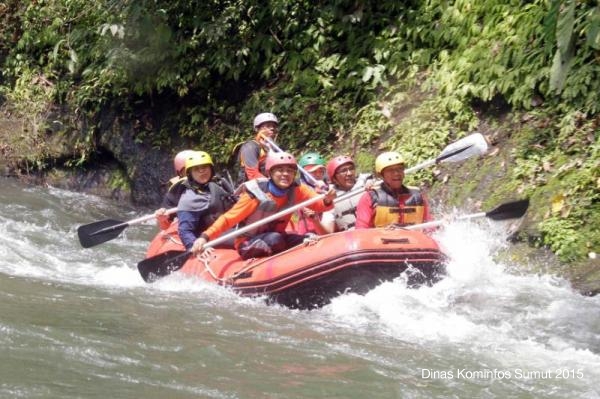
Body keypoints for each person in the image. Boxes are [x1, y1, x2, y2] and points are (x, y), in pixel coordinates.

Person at [191, 151, 336, 259]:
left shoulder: (297, 189)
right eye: (280, 170)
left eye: (290, 171)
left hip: (277, 236)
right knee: (275, 239)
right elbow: (228, 219)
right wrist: (204, 237)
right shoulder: (255, 194)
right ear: (270, 173)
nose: (285, 174)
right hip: (247, 242)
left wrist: (328, 198)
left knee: (310, 237)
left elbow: (319, 204)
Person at [355, 151, 432, 229]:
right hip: (381, 240)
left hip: (415, 240)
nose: (396, 173)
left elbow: (431, 228)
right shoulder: (369, 198)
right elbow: (361, 231)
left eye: (400, 169)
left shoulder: (418, 196)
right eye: (390, 170)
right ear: (381, 175)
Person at [176, 151, 236, 250]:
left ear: (211, 169)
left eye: (204, 167)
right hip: (210, 237)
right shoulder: (189, 198)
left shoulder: (220, 184)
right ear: (190, 174)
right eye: (196, 169)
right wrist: (195, 246)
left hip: (230, 227)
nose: (202, 171)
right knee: (246, 238)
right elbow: (185, 231)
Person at [320, 155, 373, 233]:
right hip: (350, 240)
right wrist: (315, 220)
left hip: (374, 233)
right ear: (334, 178)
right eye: (343, 171)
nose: (349, 173)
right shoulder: (331, 198)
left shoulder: (368, 184)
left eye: (351, 169)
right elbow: (327, 231)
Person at [291, 152, 332, 235]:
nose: (318, 174)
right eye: (313, 172)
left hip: (326, 228)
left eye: (321, 171)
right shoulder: (298, 189)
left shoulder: (327, 187)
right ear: (304, 173)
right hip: (307, 233)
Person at [155, 149, 195, 229]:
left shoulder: (214, 183)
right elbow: (165, 227)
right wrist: (162, 219)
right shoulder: (174, 193)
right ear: (180, 173)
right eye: (189, 170)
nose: (195, 172)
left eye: (199, 168)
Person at [235, 112, 279, 184]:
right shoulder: (250, 147)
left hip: (272, 184)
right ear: (257, 129)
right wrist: (273, 186)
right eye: (267, 126)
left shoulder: (275, 148)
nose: (272, 129)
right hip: (251, 188)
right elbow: (252, 174)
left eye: (274, 126)